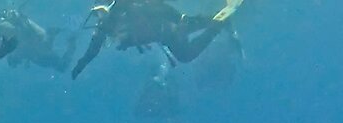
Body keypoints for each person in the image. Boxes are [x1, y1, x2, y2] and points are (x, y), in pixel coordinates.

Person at [71, 0, 238, 80]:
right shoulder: (104, 27)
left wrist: (178, 17)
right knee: (186, 53)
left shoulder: (123, 7)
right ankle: (218, 24)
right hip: (164, 35)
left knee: (189, 29)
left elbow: (154, 5)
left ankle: (217, 23)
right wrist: (81, 65)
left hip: (167, 26)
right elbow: (94, 48)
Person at [0, 8, 76, 73]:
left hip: (24, 35)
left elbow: (43, 43)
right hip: (25, 35)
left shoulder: (35, 54)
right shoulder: (37, 54)